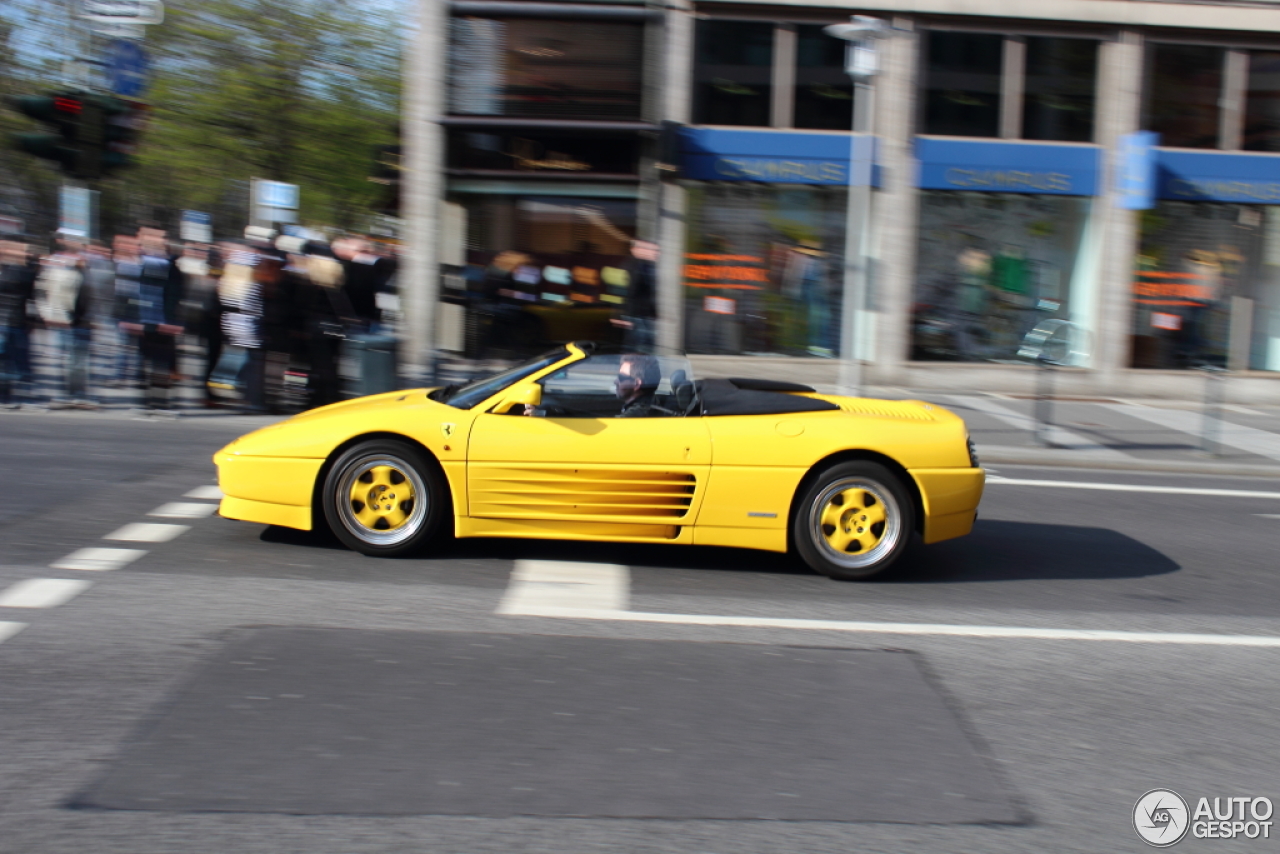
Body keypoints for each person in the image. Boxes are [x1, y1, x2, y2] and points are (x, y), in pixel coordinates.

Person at [0, 238, 37, 407]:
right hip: (7, 322)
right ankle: (5, 396)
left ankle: (10, 395)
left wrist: (31, 321)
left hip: (15, 322)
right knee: (5, 360)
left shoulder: (24, 272)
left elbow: (31, 299)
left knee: (13, 360)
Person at [611, 239, 658, 353]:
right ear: (636, 250)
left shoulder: (647, 267)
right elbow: (622, 293)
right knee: (634, 352)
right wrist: (620, 315)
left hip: (643, 317)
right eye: (651, 249)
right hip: (635, 317)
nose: (655, 253)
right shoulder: (629, 267)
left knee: (643, 351)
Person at [614, 352, 660, 418]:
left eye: (621, 377)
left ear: (637, 384)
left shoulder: (629, 418)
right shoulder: (654, 402)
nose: (615, 381)